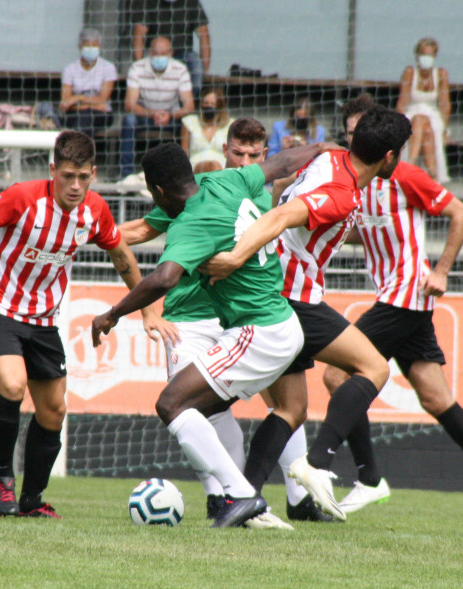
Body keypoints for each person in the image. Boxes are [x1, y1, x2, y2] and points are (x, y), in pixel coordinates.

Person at [0, 131, 174, 519]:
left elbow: (121, 255)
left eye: (83, 177)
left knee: (53, 412)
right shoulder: (23, 197)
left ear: (94, 174)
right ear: (52, 171)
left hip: (44, 319)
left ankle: (31, 499)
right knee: (12, 385)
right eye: (67, 176)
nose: (75, 186)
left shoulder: (95, 211)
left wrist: (148, 309)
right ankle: (3, 481)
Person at [90, 139, 349, 528]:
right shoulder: (226, 181)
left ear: (158, 191)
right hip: (277, 321)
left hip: (258, 331)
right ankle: (242, 498)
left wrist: (112, 314)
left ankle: (241, 496)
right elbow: (280, 163)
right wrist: (320, 147)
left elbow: (164, 278)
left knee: (173, 405)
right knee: (219, 409)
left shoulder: (191, 221)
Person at [200, 107, 412, 521]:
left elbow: (287, 200)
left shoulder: (329, 160)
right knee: (373, 368)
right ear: (389, 156)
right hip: (292, 298)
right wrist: (234, 257)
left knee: (291, 408)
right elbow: (281, 216)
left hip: (275, 291)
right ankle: (317, 464)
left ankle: (243, 501)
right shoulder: (341, 192)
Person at [322, 97, 463, 517]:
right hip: (396, 298)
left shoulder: (405, 176)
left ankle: (368, 478)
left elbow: (462, 214)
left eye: (360, 134)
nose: (354, 141)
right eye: (349, 134)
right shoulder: (353, 180)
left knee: (336, 373)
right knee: (435, 398)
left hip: (405, 295)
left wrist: (442, 271)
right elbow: (370, 232)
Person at [120, 36, 195, 178]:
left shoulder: (180, 69)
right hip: (145, 117)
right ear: (149, 53)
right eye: (156, 54)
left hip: (171, 118)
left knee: (189, 122)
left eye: (163, 54)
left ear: (171, 54)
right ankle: (126, 174)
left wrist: (170, 115)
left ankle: (184, 173)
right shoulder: (137, 68)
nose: (159, 57)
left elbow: (189, 106)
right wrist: (153, 113)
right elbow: (129, 105)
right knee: (129, 120)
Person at [36, 29, 117, 137]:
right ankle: (82, 150)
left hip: (101, 115)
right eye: (88, 45)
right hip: (76, 113)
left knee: (85, 118)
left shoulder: (108, 68)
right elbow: (65, 103)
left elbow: (102, 99)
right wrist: (90, 105)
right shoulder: (70, 69)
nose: (91, 48)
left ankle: (76, 149)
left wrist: (78, 98)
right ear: (80, 46)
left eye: (95, 45)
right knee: (84, 118)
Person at [395, 37, 451, 183]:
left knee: (428, 128)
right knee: (420, 121)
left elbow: (445, 104)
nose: (426, 58)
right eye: (423, 55)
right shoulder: (410, 72)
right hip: (412, 111)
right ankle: (431, 174)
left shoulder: (441, 74)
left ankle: (411, 165)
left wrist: (445, 128)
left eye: (430, 55)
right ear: (417, 55)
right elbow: (403, 102)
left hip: (433, 113)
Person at [130, 0, 210, 96]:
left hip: (182, 56)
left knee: (195, 62)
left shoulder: (191, 3)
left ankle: (192, 100)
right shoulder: (147, 3)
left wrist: (204, 71)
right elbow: (138, 36)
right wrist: (139, 66)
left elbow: (204, 36)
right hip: (156, 54)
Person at [180, 86, 233, 173]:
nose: (208, 106)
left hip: (222, 167)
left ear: (219, 107)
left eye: (212, 104)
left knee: (214, 166)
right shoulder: (189, 122)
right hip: (196, 166)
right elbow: (184, 153)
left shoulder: (230, 125)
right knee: (209, 167)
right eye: (206, 103)